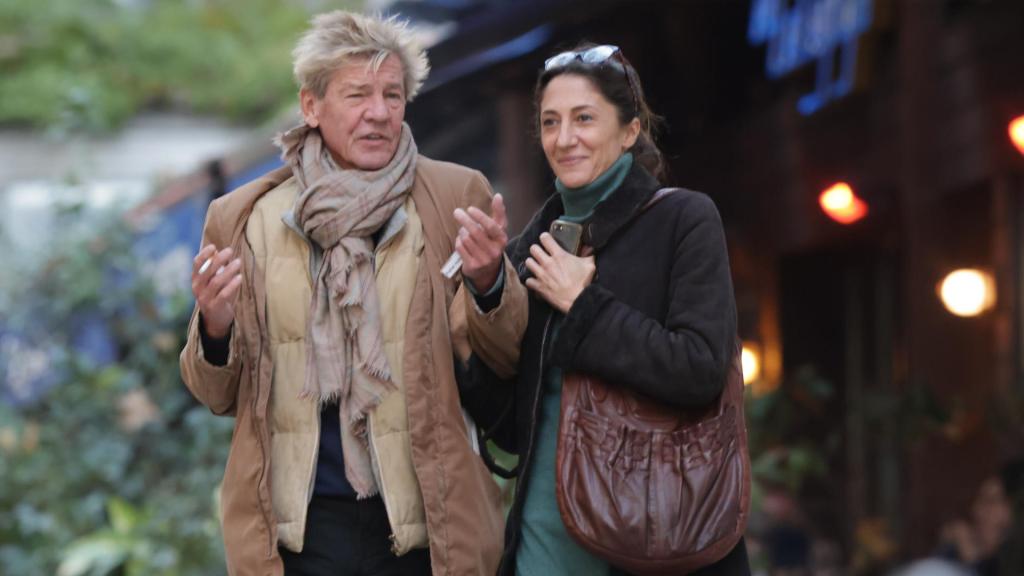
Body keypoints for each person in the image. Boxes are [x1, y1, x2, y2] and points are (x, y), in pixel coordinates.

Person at [179, 11, 526, 576]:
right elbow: (216, 395)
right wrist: (215, 328)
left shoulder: (454, 196)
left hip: (423, 526)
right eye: (357, 94)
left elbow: (505, 353)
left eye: (393, 94)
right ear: (311, 107)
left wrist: (490, 283)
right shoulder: (244, 218)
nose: (379, 112)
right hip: (303, 531)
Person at [457, 44, 751, 575]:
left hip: (659, 532)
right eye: (550, 122)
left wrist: (584, 306)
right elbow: (504, 427)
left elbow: (699, 370)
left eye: (584, 118)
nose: (564, 139)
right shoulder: (534, 246)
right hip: (547, 540)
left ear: (630, 130)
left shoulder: (684, 219)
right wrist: (488, 290)